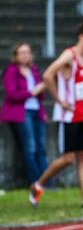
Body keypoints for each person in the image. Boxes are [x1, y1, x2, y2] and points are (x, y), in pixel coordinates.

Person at [28, 21, 83, 209]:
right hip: (67, 115)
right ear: (81, 37)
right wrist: (59, 100)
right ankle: (38, 185)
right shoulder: (69, 55)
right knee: (68, 158)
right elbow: (47, 75)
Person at [1, 42, 49, 186]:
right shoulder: (11, 71)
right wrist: (32, 92)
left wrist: (40, 91)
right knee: (30, 147)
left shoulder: (34, 70)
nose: (25, 55)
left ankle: (47, 182)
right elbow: (11, 94)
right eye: (21, 53)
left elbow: (40, 96)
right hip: (21, 113)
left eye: (27, 52)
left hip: (36, 111)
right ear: (16, 56)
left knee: (41, 148)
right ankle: (35, 181)